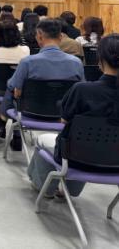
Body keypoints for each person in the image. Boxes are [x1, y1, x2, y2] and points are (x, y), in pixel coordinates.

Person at [27, 33, 119, 198]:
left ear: (100, 59)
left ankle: (45, 189)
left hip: (76, 157)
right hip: (115, 161)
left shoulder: (82, 90)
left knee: (44, 140)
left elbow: (65, 121)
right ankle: (68, 190)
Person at [0, 18, 84, 143]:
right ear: (60, 37)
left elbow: (13, 87)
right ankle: (4, 126)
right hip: (63, 114)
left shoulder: (28, 62)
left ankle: (3, 124)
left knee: (12, 88)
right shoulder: (76, 63)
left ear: (40, 36)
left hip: (31, 112)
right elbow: (81, 90)